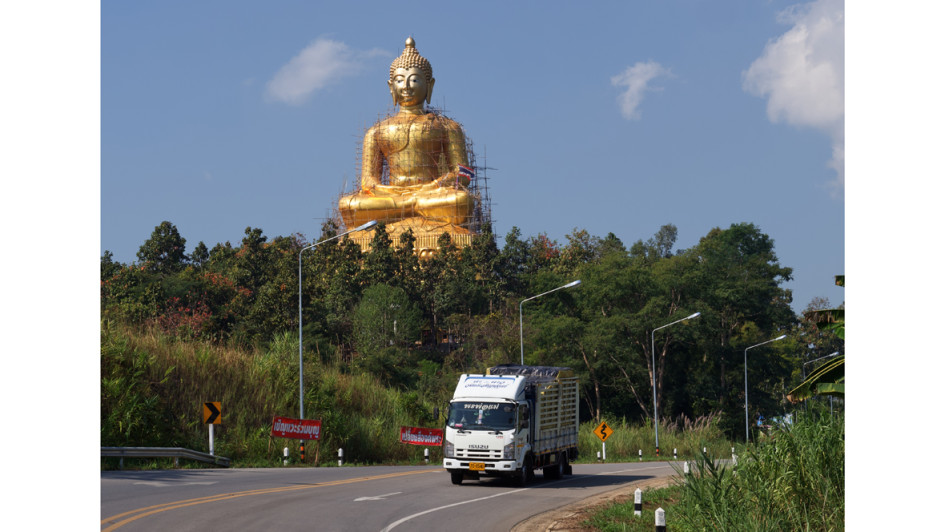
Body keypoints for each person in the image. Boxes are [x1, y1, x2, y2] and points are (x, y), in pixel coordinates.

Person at [338, 37, 476, 234]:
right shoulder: (377, 131)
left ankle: (406, 207)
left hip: (431, 194)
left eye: (414, 79)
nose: (407, 86)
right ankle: (410, 206)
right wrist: (388, 192)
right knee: (348, 205)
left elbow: (464, 174)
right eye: (400, 80)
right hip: (391, 196)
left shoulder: (447, 127)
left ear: (430, 85)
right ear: (390, 86)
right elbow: (368, 182)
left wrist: (435, 185)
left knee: (461, 201)